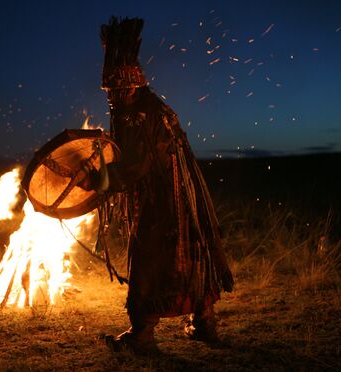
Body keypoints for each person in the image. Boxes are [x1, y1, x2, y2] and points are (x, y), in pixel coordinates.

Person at [84, 17, 234, 354]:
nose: (112, 98)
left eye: (115, 91)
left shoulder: (138, 114)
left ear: (129, 86)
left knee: (150, 261)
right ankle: (204, 321)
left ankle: (143, 334)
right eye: (110, 93)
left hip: (164, 201)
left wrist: (101, 180)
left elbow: (135, 166)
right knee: (193, 253)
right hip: (184, 198)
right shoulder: (153, 106)